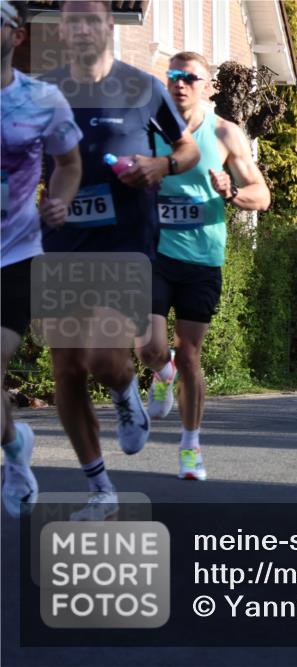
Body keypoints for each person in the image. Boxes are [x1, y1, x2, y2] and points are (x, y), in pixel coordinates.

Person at [40, 0, 198, 519]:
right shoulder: (45, 92)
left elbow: (188, 149)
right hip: (62, 239)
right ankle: (101, 490)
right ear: (62, 31)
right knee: (66, 368)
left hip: (125, 240)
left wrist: (160, 164)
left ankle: (128, 390)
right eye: (73, 21)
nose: (83, 29)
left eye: (92, 19)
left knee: (104, 357)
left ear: (109, 27)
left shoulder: (142, 86)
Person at [134, 51, 270, 480]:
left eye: (191, 77)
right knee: (149, 347)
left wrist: (231, 193)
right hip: (155, 255)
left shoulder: (226, 134)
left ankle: (190, 446)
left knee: (191, 352)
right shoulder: (148, 129)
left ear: (208, 87)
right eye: (173, 75)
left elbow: (262, 197)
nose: (180, 83)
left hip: (202, 260)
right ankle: (161, 370)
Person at [0, 0, 82, 516]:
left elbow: (69, 163)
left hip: (14, 256)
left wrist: (62, 199)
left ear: (16, 34)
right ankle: (15, 447)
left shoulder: (42, 99)